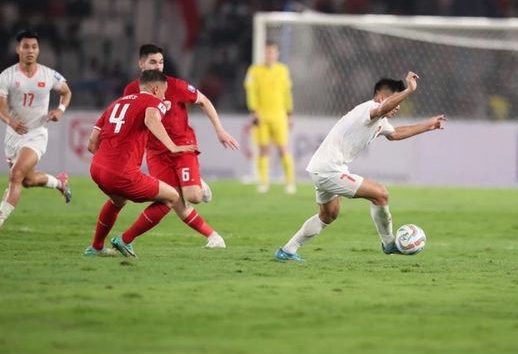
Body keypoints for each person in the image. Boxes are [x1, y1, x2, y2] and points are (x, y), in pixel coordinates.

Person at [275, 71, 446, 262]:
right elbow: (380, 110)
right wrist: (408, 91)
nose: (398, 106)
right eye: (395, 100)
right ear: (381, 97)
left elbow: (395, 133)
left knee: (328, 215)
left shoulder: (380, 121)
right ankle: (388, 243)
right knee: (380, 194)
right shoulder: (370, 108)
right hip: (328, 169)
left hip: (324, 168)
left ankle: (288, 250)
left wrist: (427, 125)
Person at [122, 44, 239, 248]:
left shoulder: (175, 86)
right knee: (173, 201)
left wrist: (219, 130)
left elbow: (204, 101)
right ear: (141, 64)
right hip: (156, 153)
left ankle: (199, 185)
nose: (158, 67)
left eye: (161, 62)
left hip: (182, 146)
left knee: (193, 196)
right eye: (152, 62)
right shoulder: (131, 90)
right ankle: (214, 237)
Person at [85, 70, 197, 257]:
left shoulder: (117, 103)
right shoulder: (154, 102)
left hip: (97, 168)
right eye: (163, 92)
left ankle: (96, 247)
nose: (163, 97)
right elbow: (150, 118)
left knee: (117, 201)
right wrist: (172, 146)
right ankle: (125, 240)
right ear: (155, 89)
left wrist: (106, 163)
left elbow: (91, 143)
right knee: (172, 197)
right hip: (121, 173)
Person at [0, 29, 72, 228]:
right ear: (18, 49)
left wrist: (61, 109)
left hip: (36, 135)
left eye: (34, 47)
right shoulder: (7, 76)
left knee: (15, 176)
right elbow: (0, 105)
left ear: (38, 50)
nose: (30, 51)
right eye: (26, 47)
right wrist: (10, 121)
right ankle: (59, 183)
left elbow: (66, 92)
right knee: (27, 180)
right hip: (13, 137)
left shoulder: (49, 75)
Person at [244, 41, 296, 194]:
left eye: (272, 52)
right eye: (267, 52)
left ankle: (290, 182)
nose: (269, 55)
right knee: (263, 149)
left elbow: (287, 93)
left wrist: (289, 113)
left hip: (279, 115)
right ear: (263, 53)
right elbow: (251, 92)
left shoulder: (283, 70)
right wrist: (253, 111)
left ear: (277, 54)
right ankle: (264, 182)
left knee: (282, 148)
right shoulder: (254, 71)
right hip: (261, 115)